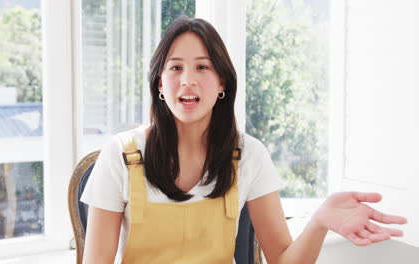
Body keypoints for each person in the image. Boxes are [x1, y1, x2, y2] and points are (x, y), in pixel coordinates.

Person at [80, 16, 407, 264]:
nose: (188, 80)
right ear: (160, 85)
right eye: (175, 68)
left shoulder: (248, 154)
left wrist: (320, 220)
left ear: (221, 82)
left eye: (203, 67)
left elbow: (282, 259)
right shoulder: (122, 155)